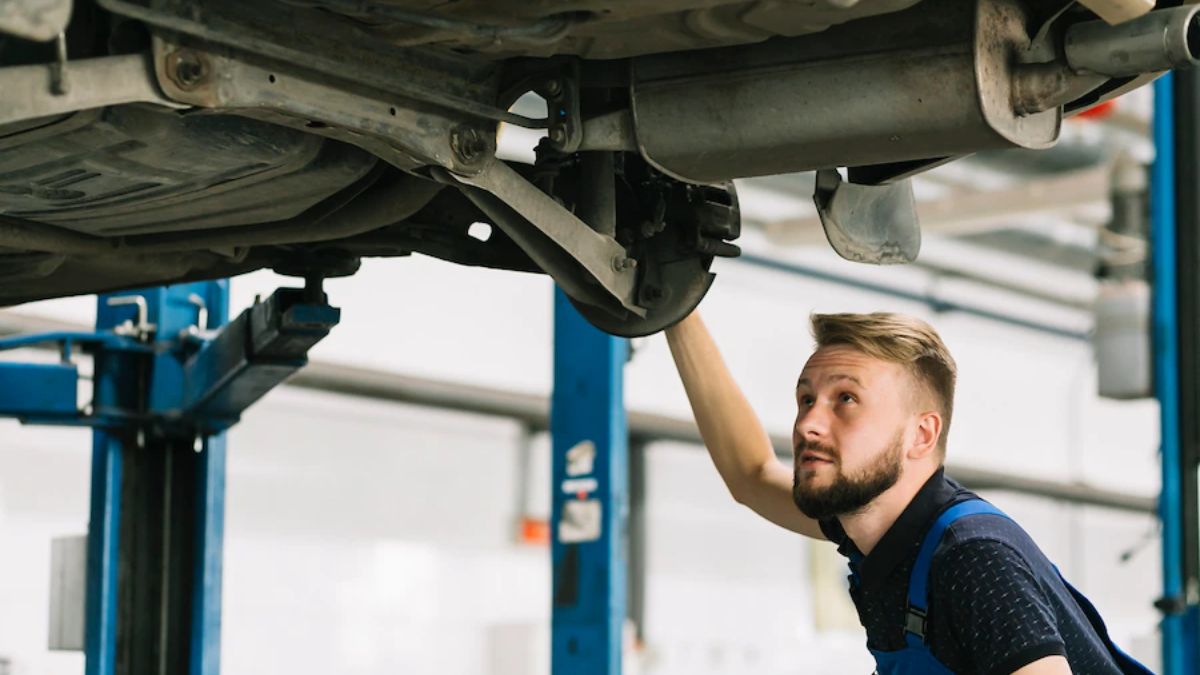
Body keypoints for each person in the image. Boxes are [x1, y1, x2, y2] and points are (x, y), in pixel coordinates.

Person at [665, 310, 1153, 675]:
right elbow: (751, 476)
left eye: (846, 400)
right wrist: (675, 312)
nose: (809, 423)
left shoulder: (972, 559)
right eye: (806, 399)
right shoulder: (882, 531)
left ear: (921, 435)